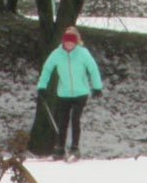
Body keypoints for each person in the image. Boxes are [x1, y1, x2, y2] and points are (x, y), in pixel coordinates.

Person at [36, 26, 103, 160]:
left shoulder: (83, 53)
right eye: (67, 41)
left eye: (72, 41)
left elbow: (93, 69)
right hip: (64, 93)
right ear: (63, 41)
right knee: (63, 121)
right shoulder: (57, 54)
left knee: (75, 119)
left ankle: (74, 148)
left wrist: (97, 87)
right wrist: (42, 86)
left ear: (76, 41)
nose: (69, 44)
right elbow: (47, 69)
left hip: (81, 92)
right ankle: (60, 148)